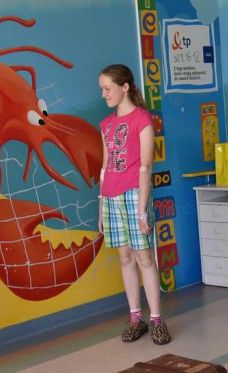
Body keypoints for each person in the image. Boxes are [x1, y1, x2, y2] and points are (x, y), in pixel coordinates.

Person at [97, 64, 171, 345]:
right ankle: (135, 318)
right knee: (125, 257)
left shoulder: (142, 119)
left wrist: (142, 210)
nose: (104, 94)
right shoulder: (106, 125)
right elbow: (105, 167)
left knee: (144, 257)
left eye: (107, 88)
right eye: (102, 89)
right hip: (111, 196)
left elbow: (146, 166)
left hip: (133, 194)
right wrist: (101, 207)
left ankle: (156, 320)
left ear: (124, 87)